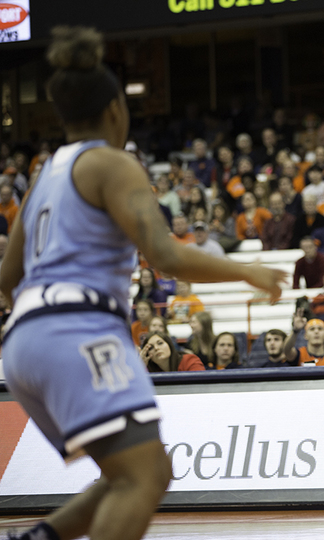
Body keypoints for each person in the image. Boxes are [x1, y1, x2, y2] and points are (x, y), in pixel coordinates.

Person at [0, 27, 286, 540]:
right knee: (146, 477)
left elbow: (7, 277)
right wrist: (245, 269)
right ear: (115, 109)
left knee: (128, 472)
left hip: (22, 343)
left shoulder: (42, 174)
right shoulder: (113, 162)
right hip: (77, 329)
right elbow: (166, 254)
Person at [141, 331, 205, 372]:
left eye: (160, 343)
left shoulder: (190, 361)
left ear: (170, 345)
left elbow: (201, 386)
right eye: (151, 348)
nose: (156, 348)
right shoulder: (148, 371)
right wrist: (141, 366)